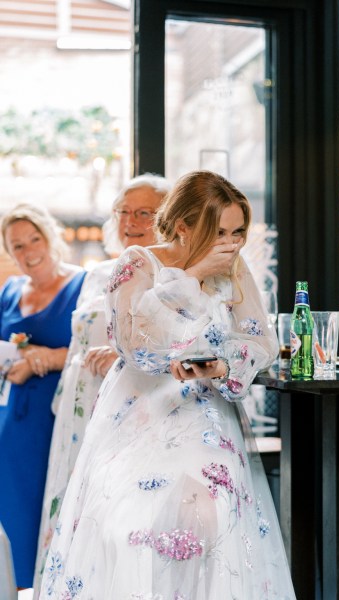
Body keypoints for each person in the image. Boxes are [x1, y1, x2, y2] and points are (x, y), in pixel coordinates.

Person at [40, 171, 296, 599]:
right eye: (219, 232)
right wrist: (193, 274)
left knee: (209, 519)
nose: (231, 243)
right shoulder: (138, 263)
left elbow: (261, 340)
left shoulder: (234, 267)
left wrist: (219, 363)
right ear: (183, 225)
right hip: (140, 412)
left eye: (237, 232)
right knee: (130, 525)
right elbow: (133, 342)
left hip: (206, 415)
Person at [33, 174, 170, 595]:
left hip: (131, 407)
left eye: (144, 212)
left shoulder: (171, 274)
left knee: (116, 514)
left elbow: (173, 344)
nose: (130, 220)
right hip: (80, 404)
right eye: (123, 212)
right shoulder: (99, 274)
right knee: (72, 501)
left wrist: (125, 357)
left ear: (167, 219)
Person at [0, 202, 86, 590]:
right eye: (17, 245)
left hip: (57, 417)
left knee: (47, 510)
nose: (28, 250)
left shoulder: (84, 285)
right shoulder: (10, 290)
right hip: (10, 418)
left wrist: (46, 359)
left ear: (51, 236)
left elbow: (101, 348)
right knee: (11, 511)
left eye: (34, 239)